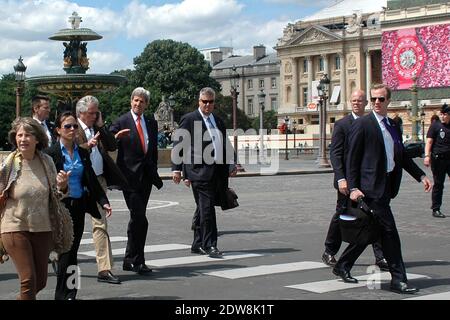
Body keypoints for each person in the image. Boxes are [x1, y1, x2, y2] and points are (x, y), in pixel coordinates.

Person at [333, 83, 432, 294]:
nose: (376, 102)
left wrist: (421, 175)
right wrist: (353, 187)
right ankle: (398, 279)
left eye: (381, 99)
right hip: (369, 189)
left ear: (388, 101)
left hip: (385, 186)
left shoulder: (393, 125)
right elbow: (352, 159)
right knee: (390, 233)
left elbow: (402, 156)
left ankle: (343, 265)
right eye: (374, 99)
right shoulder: (363, 124)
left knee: (371, 230)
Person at [45, 111, 112, 300]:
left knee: (72, 252)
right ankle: (63, 294)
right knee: (67, 252)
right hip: (60, 207)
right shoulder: (51, 154)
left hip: (79, 205)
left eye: (75, 126)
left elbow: (90, 179)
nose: (73, 129)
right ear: (58, 130)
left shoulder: (82, 152)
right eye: (68, 126)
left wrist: (103, 201)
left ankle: (71, 293)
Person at [0, 117, 69, 300]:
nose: (23, 139)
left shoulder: (47, 162)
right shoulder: (8, 164)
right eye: (19, 135)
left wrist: (62, 186)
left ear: (37, 138)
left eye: (28, 135)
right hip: (14, 226)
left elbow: (56, 196)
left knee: (41, 282)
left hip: (42, 228)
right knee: (28, 280)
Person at [322, 90, 388, 271]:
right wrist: (341, 178)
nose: (356, 103)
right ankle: (329, 250)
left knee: (374, 215)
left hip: (367, 179)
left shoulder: (372, 123)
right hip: (347, 180)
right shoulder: (342, 124)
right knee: (342, 214)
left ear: (366, 102)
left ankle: (380, 256)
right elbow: (335, 154)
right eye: (353, 100)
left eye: (360, 100)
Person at [172, 87, 237, 258]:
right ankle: (210, 245)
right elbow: (179, 145)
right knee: (207, 209)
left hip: (217, 172)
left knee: (203, 208)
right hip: (198, 171)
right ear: (199, 102)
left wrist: (232, 163)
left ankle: (197, 243)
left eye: (210, 102)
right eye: (204, 102)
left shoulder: (218, 121)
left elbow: (225, 144)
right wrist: (177, 169)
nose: (207, 105)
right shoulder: (189, 119)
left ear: (214, 103)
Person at [109, 87, 163, 275]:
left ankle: (130, 259)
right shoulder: (122, 120)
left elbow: (153, 148)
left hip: (146, 177)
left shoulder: (151, 122)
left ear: (146, 104)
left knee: (137, 218)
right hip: (129, 178)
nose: (138, 103)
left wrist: (154, 168)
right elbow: (108, 142)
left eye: (142, 101)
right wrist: (115, 137)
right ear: (131, 101)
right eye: (135, 100)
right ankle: (137, 260)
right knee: (140, 218)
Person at [75, 95, 128, 284]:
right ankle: (58, 254)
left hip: (98, 181)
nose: (94, 115)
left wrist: (101, 125)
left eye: (96, 112)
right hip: (78, 181)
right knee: (72, 225)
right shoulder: (72, 127)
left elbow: (113, 145)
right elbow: (65, 151)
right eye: (91, 113)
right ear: (81, 113)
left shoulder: (96, 127)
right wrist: (86, 146)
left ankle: (104, 269)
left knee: (100, 224)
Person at [424, 103, 450, 218]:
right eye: (442, 114)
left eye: (445, 114)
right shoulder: (436, 126)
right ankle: (436, 209)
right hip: (438, 160)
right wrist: (427, 156)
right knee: (439, 184)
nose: (443, 116)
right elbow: (429, 141)